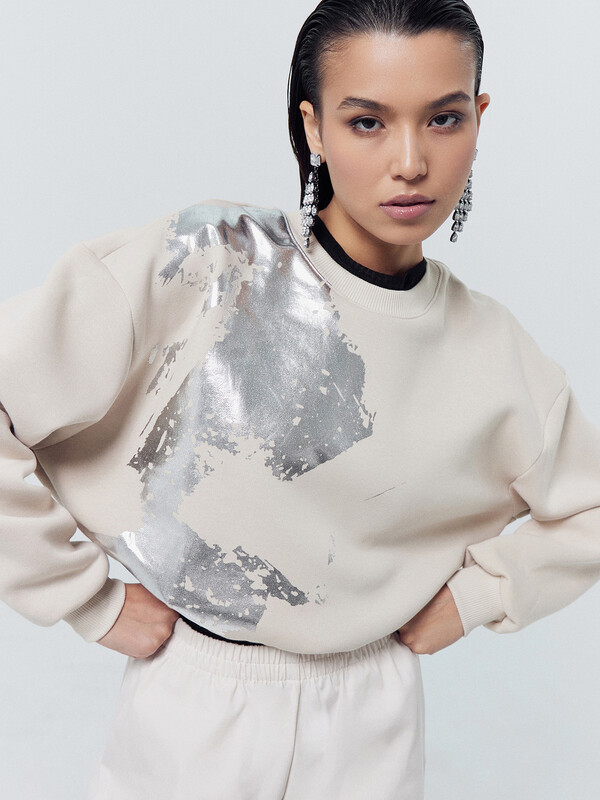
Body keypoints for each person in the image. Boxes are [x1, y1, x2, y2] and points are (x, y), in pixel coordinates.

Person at [1, 0, 600, 798]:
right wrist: (87, 600)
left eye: (444, 118)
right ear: (313, 127)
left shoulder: (495, 353)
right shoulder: (207, 261)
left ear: (479, 119)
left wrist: (481, 595)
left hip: (373, 710)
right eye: (367, 122)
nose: (411, 161)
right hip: (200, 698)